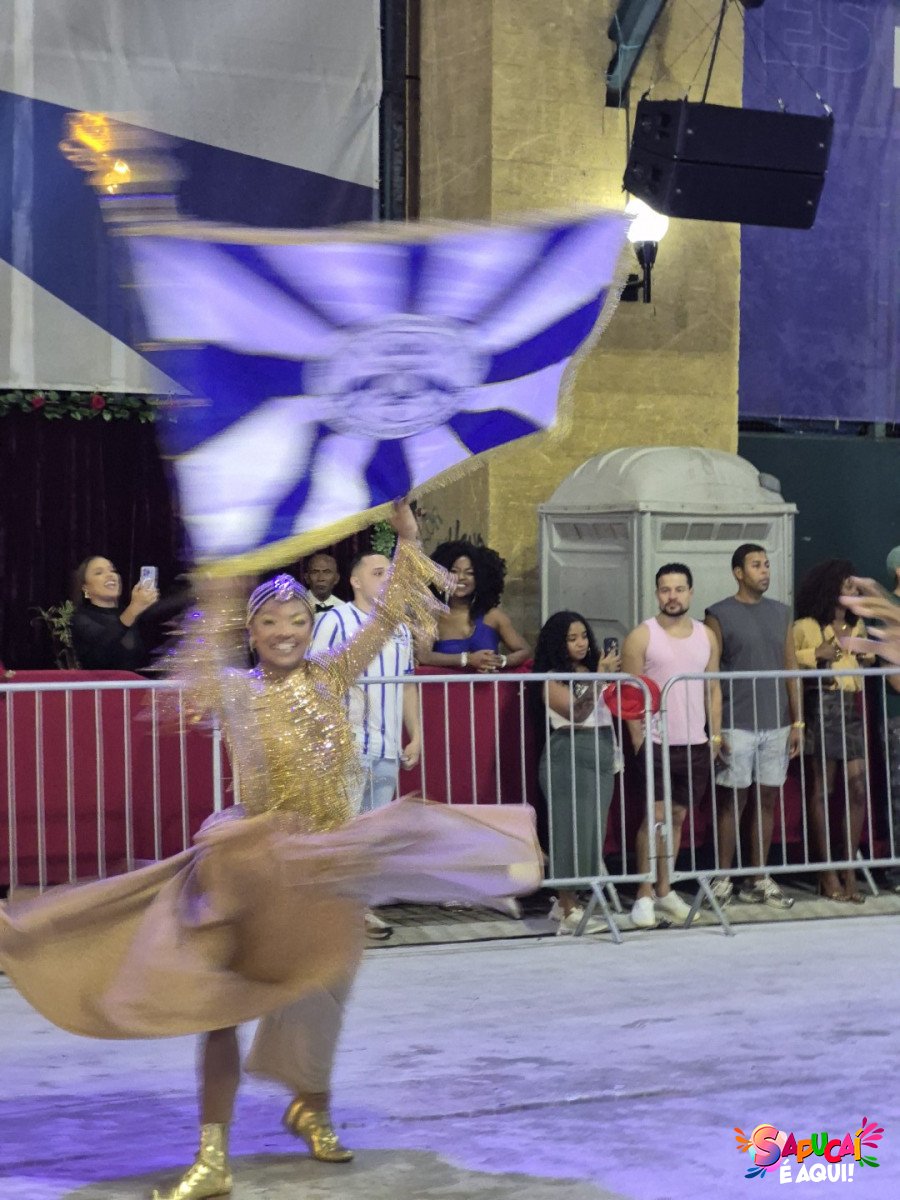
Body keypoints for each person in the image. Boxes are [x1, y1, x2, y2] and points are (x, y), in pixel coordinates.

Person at [0, 502, 542, 1200]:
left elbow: (388, 619)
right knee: (221, 1008)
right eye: (270, 623)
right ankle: (212, 1156)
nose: (285, 632)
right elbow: (192, 669)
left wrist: (406, 539)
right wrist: (227, 582)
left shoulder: (332, 675)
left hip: (324, 862)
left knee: (322, 996)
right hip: (250, 866)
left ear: (312, 629)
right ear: (252, 633)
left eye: (297, 622)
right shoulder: (236, 690)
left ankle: (310, 1108)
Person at [311, 549, 421, 940]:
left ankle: (360, 909)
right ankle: (335, 914)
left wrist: (416, 734)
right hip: (348, 744)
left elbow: (408, 683)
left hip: (387, 746)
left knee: (372, 836)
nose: (387, 580)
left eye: (390, 574)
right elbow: (316, 679)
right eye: (377, 573)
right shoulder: (335, 620)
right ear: (355, 581)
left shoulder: (401, 628)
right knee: (342, 832)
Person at [621, 563, 722, 929]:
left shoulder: (706, 636)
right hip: (656, 741)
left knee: (677, 817)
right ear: (657, 593)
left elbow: (713, 688)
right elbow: (629, 693)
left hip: (694, 743)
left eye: (679, 589)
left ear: (691, 592)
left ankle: (665, 890)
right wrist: (638, 739)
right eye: (665, 589)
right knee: (656, 817)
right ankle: (644, 894)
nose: (672, 596)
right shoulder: (641, 636)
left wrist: (715, 735)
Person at [704, 544, 804, 909]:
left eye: (767, 565)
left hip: (775, 722)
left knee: (767, 799)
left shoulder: (781, 613)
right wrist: (716, 729)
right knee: (733, 800)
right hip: (737, 722)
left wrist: (797, 721)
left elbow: (791, 668)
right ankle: (722, 878)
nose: (765, 571)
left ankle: (759, 876)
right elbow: (711, 674)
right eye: (756, 565)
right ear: (738, 572)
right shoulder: (718, 614)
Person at [792, 559, 874, 903]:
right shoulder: (806, 625)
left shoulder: (857, 625)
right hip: (820, 705)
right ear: (830, 586)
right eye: (846, 584)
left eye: (854, 585)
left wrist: (866, 654)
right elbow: (789, 658)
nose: (853, 590)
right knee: (822, 789)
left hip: (850, 707)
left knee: (857, 787)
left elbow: (867, 658)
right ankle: (826, 871)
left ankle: (849, 867)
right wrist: (816, 653)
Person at [534, 611, 620, 933]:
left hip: (600, 749)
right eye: (572, 639)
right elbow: (577, 712)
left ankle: (566, 905)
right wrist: (600, 677)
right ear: (558, 643)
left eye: (584, 635)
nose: (581, 643)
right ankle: (567, 905)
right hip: (568, 752)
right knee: (569, 830)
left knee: (591, 831)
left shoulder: (594, 669)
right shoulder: (552, 676)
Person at [417, 540, 530, 671]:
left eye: (469, 573)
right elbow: (423, 656)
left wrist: (500, 661)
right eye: (454, 571)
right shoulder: (432, 615)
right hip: (446, 684)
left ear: (481, 578)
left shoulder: (493, 616)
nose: (461, 577)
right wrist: (467, 659)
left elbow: (524, 650)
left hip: (487, 684)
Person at [70, 555, 159, 670]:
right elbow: (102, 653)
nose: (110, 575)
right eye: (99, 573)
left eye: (113, 570)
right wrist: (133, 609)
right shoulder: (80, 618)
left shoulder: (129, 612)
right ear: (85, 588)